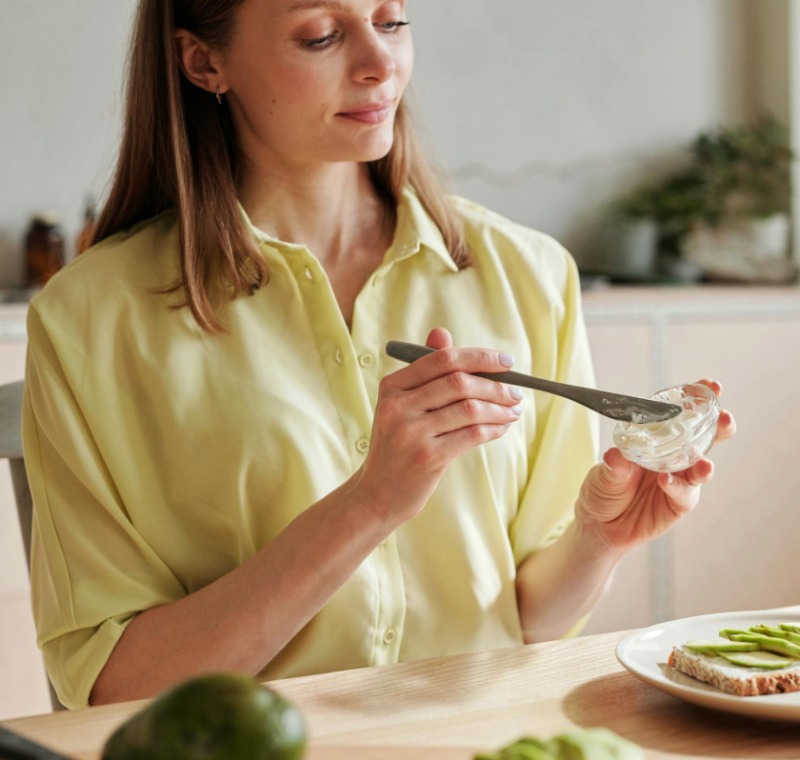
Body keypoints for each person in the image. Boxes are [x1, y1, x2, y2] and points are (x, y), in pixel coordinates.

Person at [23, 0, 735, 710]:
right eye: (321, 35)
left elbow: (527, 624)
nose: (380, 63)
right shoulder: (90, 318)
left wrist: (598, 541)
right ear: (205, 61)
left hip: (483, 759)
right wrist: (371, 502)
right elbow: (116, 687)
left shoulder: (529, 275)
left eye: (391, 21)